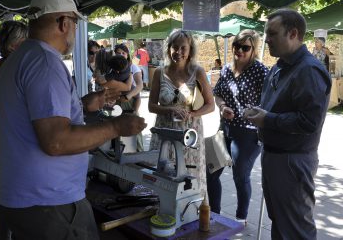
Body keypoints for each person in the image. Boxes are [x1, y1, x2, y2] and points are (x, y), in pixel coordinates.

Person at [0, 0, 146, 240]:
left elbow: (32, 116)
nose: (74, 30)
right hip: (49, 203)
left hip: (17, 196)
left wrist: (81, 105)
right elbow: (56, 141)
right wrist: (116, 127)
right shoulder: (45, 63)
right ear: (64, 23)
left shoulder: (16, 60)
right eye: (74, 23)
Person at [244, 9, 331, 240]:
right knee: (281, 224)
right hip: (275, 157)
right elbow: (275, 106)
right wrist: (259, 113)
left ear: (293, 34)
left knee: (296, 230)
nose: (267, 39)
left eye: (272, 33)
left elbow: (309, 121)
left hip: (292, 161)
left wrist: (267, 119)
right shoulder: (280, 65)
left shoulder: (309, 70)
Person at [209, 29, 269, 223]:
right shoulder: (226, 69)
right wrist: (223, 106)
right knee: (211, 172)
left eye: (245, 47)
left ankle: (240, 217)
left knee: (239, 175)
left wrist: (255, 113)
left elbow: (271, 101)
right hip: (224, 128)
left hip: (249, 134)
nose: (239, 50)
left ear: (254, 50)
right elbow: (217, 94)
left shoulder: (260, 71)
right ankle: (214, 214)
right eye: (237, 45)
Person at [148, 29, 215, 198]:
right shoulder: (159, 72)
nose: (178, 52)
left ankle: (192, 211)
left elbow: (211, 105)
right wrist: (168, 109)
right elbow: (150, 106)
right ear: (168, 48)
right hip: (164, 130)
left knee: (190, 175)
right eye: (174, 47)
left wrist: (192, 114)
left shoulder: (197, 71)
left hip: (189, 134)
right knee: (163, 173)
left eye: (183, 48)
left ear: (190, 49)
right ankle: (159, 209)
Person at [0, 20, 28, 152]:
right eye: (25, 41)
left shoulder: (2, 65)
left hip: (5, 140)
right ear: (14, 45)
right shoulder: (14, 66)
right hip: (14, 143)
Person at [114, 43, 144, 151]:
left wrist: (128, 96)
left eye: (123, 53)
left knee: (135, 131)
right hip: (116, 103)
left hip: (131, 101)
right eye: (118, 53)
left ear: (127, 55)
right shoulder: (112, 68)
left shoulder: (133, 66)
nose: (121, 55)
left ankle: (138, 157)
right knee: (118, 132)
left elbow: (140, 85)